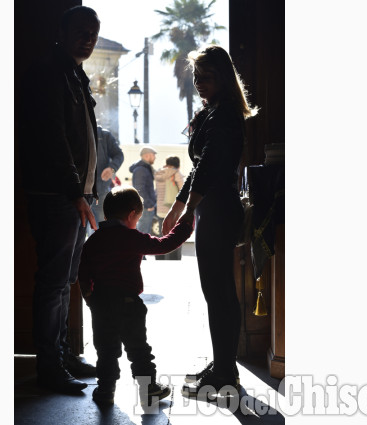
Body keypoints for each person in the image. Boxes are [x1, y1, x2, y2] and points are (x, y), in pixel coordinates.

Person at [161, 45, 256, 397]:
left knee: (219, 293)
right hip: (211, 208)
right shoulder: (215, 111)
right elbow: (201, 166)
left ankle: (225, 372)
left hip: (218, 209)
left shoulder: (225, 114)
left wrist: (186, 210)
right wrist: (179, 207)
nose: (200, 83)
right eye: (197, 77)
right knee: (216, 292)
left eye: (208, 77)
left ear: (223, 78)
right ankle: (222, 365)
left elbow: (211, 167)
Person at [17, 5, 101, 393]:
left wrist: (84, 192)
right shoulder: (50, 72)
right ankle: (51, 368)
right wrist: (75, 192)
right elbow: (52, 139)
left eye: (94, 32)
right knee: (54, 283)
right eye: (82, 31)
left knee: (65, 280)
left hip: (73, 195)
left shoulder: (72, 73)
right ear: (63, 31)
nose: (89, 37)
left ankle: (63, 357)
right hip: (58, 196)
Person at [78, 186, 193, 405]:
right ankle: (148, 389)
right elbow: (165, 244)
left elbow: (83, 273)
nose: (137, 223)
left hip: (101, 304)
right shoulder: (130, 238)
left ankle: (105, 390)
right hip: (128, 304)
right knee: (138, 349)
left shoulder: (93, 241)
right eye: (138, 219)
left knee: (106, 350)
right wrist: (185, 225)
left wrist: (90, 299)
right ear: (131, 215)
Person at [90, 125, 124, 230]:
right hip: (79, 193)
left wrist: (111, 168)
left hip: (100, 191)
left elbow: (119, 155)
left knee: (103, 226)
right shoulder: (75, 130)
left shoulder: (104, 135)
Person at [154, 156, 185, 260]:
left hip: (160, 210)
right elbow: (183, 191)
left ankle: (160, 259)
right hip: (173, 211)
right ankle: (173, 260)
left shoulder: (159, 173)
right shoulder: (176, 173)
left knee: (161, 235)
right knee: (175, 236)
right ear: (177, 164)